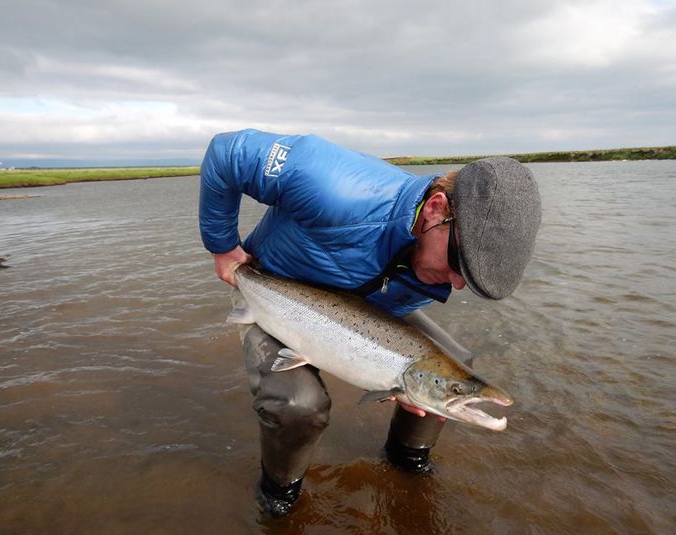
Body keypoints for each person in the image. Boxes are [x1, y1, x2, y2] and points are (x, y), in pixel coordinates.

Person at [199, 129, 541, 516]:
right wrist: (223, 246)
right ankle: (279, 495)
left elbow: (387, 315)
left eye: (471, 280)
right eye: (459, 265)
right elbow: (226, 153)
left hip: (355, 303)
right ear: (435, 209)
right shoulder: (334, 186)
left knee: (454, 365)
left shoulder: (434, 260)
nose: (458, 284)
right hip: (270, 290)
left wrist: (393, 379)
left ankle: (407, 463)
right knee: (300, 405)